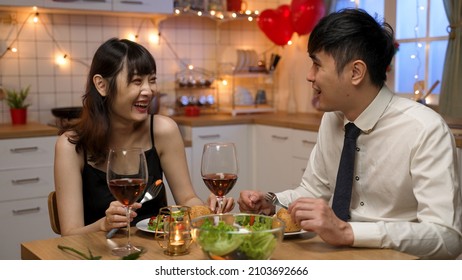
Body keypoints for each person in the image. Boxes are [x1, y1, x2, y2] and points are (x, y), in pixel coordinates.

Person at [238, 9, 462, 259]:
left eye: (317, 64)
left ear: (356, 72)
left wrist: (349, 232)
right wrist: (271, 202)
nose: (309, 75)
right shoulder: (332, 118)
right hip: (336, 257)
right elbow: (313, 191)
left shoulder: (425, 130)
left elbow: (446, 236)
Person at [54, 38, 234, 236]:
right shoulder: (71, 146)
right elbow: (70, 234)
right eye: (136, 81)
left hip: (159, 250)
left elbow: (187, 198)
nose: (149, 91)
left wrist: (207, 211)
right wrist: (104, 224)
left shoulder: (163, 131)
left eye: (152, 80)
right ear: (102, 85)